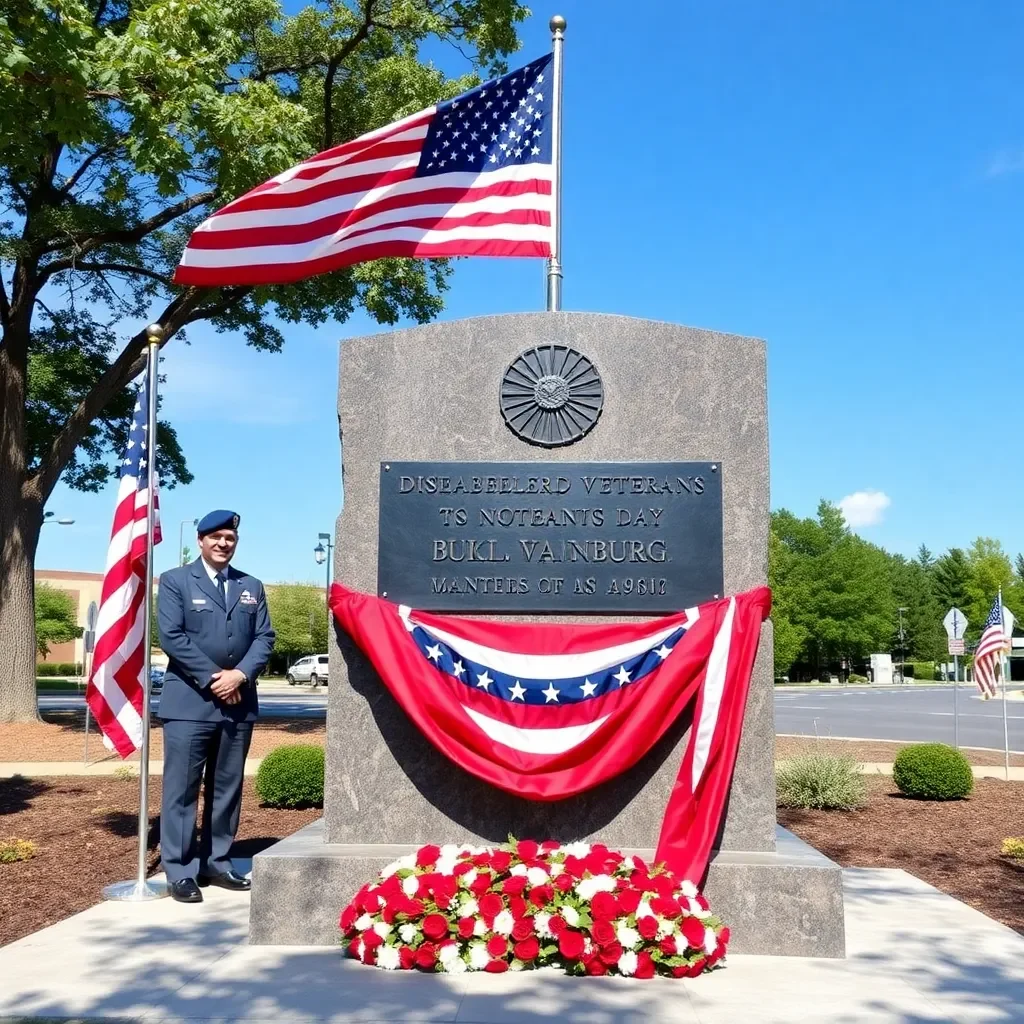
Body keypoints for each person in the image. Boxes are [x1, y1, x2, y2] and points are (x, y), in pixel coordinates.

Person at [156, 509, 275, 903]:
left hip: (238, 704)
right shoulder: (175, 581)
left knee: (227, 788)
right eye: (217, 537)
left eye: (231, 538)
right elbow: (171, 636)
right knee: (182, 790)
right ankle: (180, 869)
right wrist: (215, 678)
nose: (224, 544)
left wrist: (239, 676)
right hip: (189, 703)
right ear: (202, 540)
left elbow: (264, 638)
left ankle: (218, 861)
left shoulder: (251, 586)